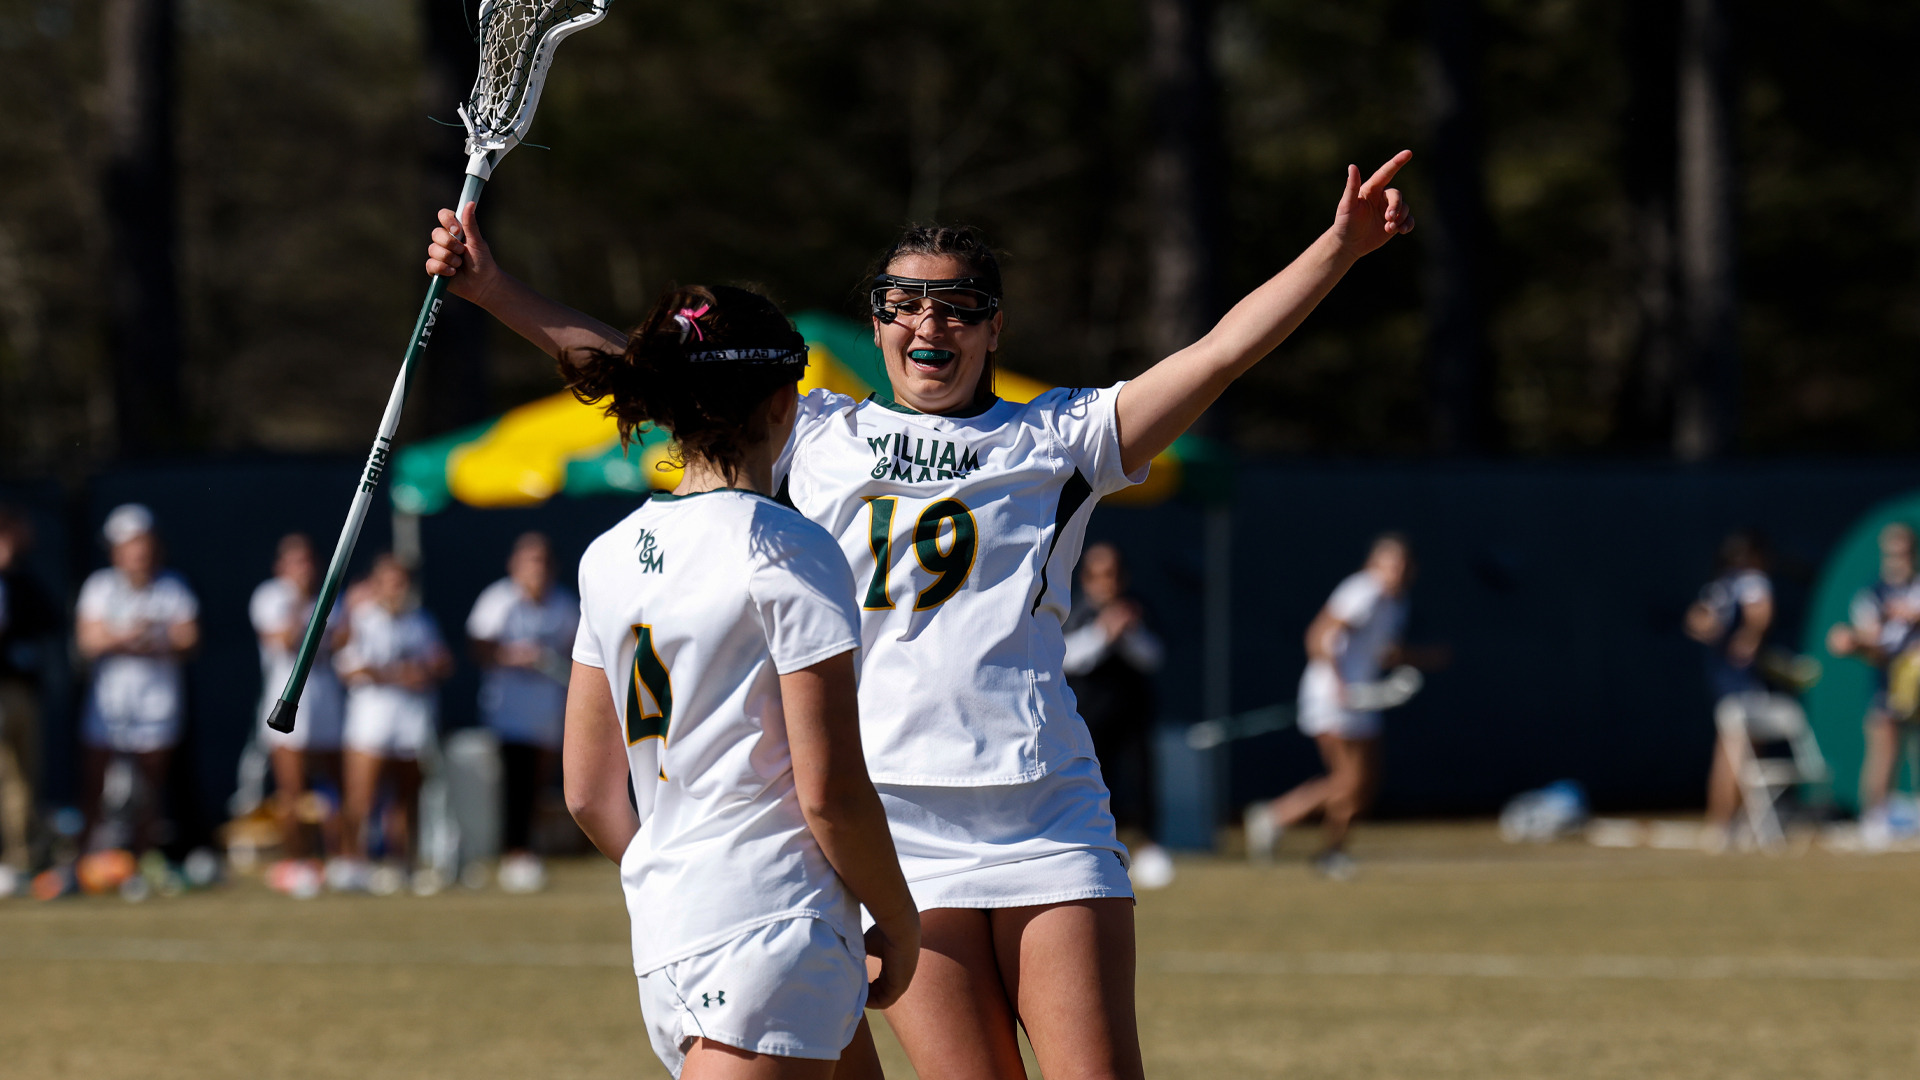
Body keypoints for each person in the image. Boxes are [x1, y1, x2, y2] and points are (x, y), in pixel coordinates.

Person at [428, 148, 1413, 1078]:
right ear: (880, 318)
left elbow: (1220, 352)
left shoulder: (1059, 437)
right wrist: (493, 290)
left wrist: (1338, 249)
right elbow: (651, 374)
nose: (928, 325)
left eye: (958, 306)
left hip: (1044, 812)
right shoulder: (816, 430)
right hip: (894, 832)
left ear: (993, 329)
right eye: (903, 304)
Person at [562, 284, 918, 1078]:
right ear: (782, 404)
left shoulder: (608, 554)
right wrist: (899, 920)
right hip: (772, 925)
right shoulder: (787, 547)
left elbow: (588, 794)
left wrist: (679, 875)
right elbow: (829, 790)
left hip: (669, 933)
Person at [1244, 534, 1413, 879]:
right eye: (1390, 563)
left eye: (1402, 565)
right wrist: (1336, 682)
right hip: (1331, 697)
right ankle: (1276, 817)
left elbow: (1383, 652)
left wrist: (1420, 663)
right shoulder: (1362, 591)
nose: (1396, 571)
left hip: (1361, 700)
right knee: (1349, 779)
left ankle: (1331, 852)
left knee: (1364, 784)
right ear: (1375, 564)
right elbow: (1321, 634)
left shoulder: (1396, 603)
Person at [75, 504, 200, 857]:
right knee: (94, 783)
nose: (138, 553)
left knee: (150, 789)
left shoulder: (173, 587)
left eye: (143, 544)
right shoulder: (99, 587)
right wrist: (132, 636)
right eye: (130, 545)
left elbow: (189, 638)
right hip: (109, 705)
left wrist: (149, 638)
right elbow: (88, 640)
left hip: (157, 704)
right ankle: (85, 859)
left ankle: (142, 861)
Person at [466, 531, 578, 893]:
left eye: (543, 561)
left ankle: (527, 850)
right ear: (515, 564)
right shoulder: (499, 600)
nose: (537, 569)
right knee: (513, 782)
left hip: (546, 711)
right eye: (530, 560)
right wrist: (519, 657)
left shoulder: (562, 603)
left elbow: (579, 650)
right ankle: (511, 853)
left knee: (537, 785)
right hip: (508, 711)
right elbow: (481, 647)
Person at [333, 554, 451, 892]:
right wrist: (400, 674)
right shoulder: (361, 619)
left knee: (406, 793)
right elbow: (351, 668)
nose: (396, 589)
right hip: (370, 718)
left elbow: (440, 661)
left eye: (401, 581)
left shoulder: (421, 621)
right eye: (389, 581)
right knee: (362, 793)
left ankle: (401, 862)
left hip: (411, 719)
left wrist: (427, 670)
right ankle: (351, 861)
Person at [1062, 542, 1173, 889]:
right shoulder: (1073, 611)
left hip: (1133, 713)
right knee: (1095, 783)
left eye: (1111, 574)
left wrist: (1127, 632)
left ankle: (1149, 847)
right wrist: (1103, 633)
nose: (1105, 582)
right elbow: (1069, 658)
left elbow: (1154, 656)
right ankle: (1097, 849)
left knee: (1142, 778)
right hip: (1088, 718)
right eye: (1097, 575)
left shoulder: (1138, 610)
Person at [251, 533, 348, 876]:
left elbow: (342, 643)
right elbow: (284, 639)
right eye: (295, 562)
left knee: (335, 788)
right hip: (287, 699)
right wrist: (300, 601)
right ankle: (297, 859)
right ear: (281, 566)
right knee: (291, 789)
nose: (303, 569)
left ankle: (340, 859)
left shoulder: (335, 598)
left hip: (325, 700)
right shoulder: (270, 596)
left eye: (307, 561)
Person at [1826, 522, 1920, 832]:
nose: (1898, 559)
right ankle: (1874, 818)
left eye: (1904, 552)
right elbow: (1874, 644)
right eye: (1892, 553)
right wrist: (1853, 642)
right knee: (1884, 748)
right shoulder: (1871, 594)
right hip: (1889, 681)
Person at [1684, 531, 1774, 837]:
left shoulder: (1719, 587)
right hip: (1740, 681)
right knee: (1742, 752)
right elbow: (1760, 611)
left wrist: (1716, 632)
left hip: (1722, 680)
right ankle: (1733, 822)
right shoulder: (1751, 581)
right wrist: (1750, 637)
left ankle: (1724, 821)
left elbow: (1697, 621)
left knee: (1726, 749)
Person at [0, 507, 57, 885]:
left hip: (22, 690)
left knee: (24, 778)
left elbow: (50, 618)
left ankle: (23, 859)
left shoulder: (21, 580)